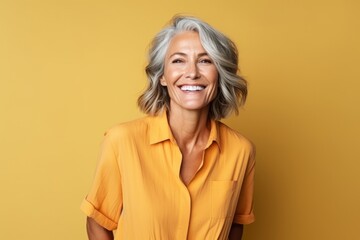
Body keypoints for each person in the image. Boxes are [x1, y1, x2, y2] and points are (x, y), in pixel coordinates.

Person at [81, 15, 255, 240]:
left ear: (220, 72)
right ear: (162, 76)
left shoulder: (241, 151)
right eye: (178, 60)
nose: (192, 72)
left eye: (205, 60)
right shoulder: (122, 141)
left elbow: (235, 225)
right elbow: (98, 223)